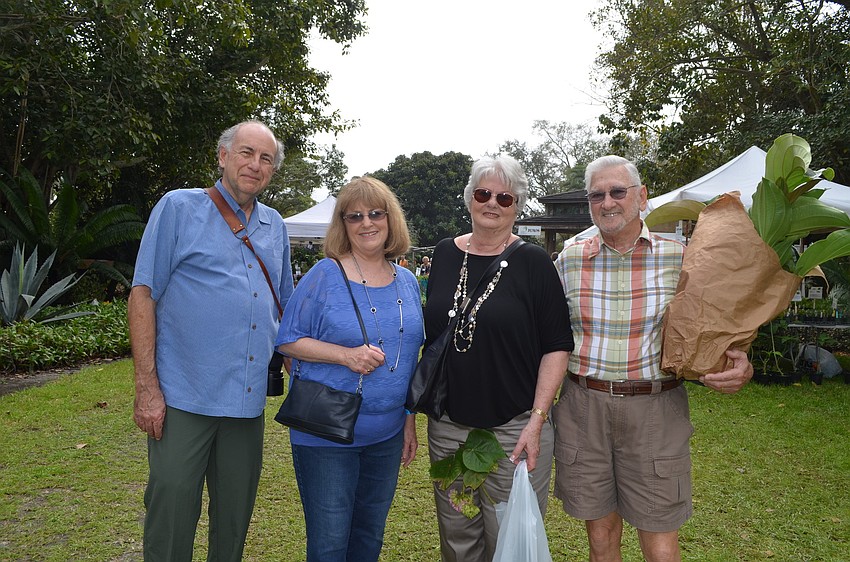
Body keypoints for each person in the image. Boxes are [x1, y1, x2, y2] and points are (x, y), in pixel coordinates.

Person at [553, 155, 754, 562]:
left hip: (656, 409)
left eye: (617, 191)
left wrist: (739, 362)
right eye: (597, 195)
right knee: (600, 534)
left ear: (641, 197)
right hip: (583, 406)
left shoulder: (681, 257)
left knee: (660, 539)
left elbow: (712, 330)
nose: (607, 202)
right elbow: (545, 334)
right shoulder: (569, 259)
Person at [128, 120, 294, 561]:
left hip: (246, 400)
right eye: (246, 153)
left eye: (265, 159)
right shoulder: (178, 208)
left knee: (234, 517)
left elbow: (286, 309)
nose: (254, 165)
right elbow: (143, 293)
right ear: (223, 156)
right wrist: (147, 387)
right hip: (184, 395)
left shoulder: (275, 225)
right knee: (172, 510)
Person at [423, 154, 574, 561]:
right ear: (470, 198)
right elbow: (431, 338)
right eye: (484, 193)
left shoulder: (534, 262)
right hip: (449, 427)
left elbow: (557, 345)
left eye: (504, 198)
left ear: (518, 206)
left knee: (509, 536)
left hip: (514, 428)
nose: (492, 203)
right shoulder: (444, 254)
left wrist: (537, 420)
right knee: (458, 536)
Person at [275, 176, 424, 561]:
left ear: (391, 219)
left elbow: (408, 359)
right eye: (354, 216)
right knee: (329, 544)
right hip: (328, 435)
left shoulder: (406, 281)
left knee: (369, 538)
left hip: (387, 435)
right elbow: (287, 340)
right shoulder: (325, 275)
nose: (366, 223)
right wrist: (346, 356)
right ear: (342, 224)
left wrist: (407, 417)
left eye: (376, 213)